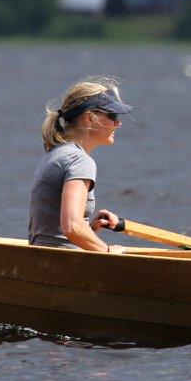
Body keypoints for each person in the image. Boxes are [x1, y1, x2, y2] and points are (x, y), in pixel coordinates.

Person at [28, 77, 134, 252]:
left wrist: (90, 229)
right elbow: (72, 227)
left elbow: (59, 230)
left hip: (43, 256)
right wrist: (108, 251)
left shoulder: (53, 154)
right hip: (63, 262)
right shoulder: (80, 161)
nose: (118, 123)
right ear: (89, 119)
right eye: (113, 115)